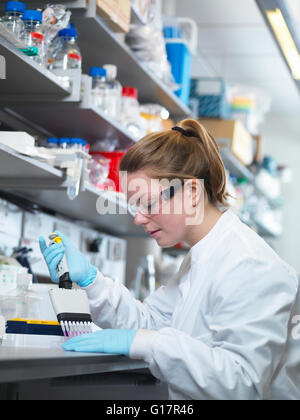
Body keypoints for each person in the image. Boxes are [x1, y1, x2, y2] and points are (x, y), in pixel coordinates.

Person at [39, 119, 300, 400]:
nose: (138, 218)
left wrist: (151, 344)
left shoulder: (251, 265)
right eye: (134, 206)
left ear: (192, 192)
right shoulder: (201, 257)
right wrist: (92, 280)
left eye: (148, 204)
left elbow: (242, 382)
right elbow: (150, 322)